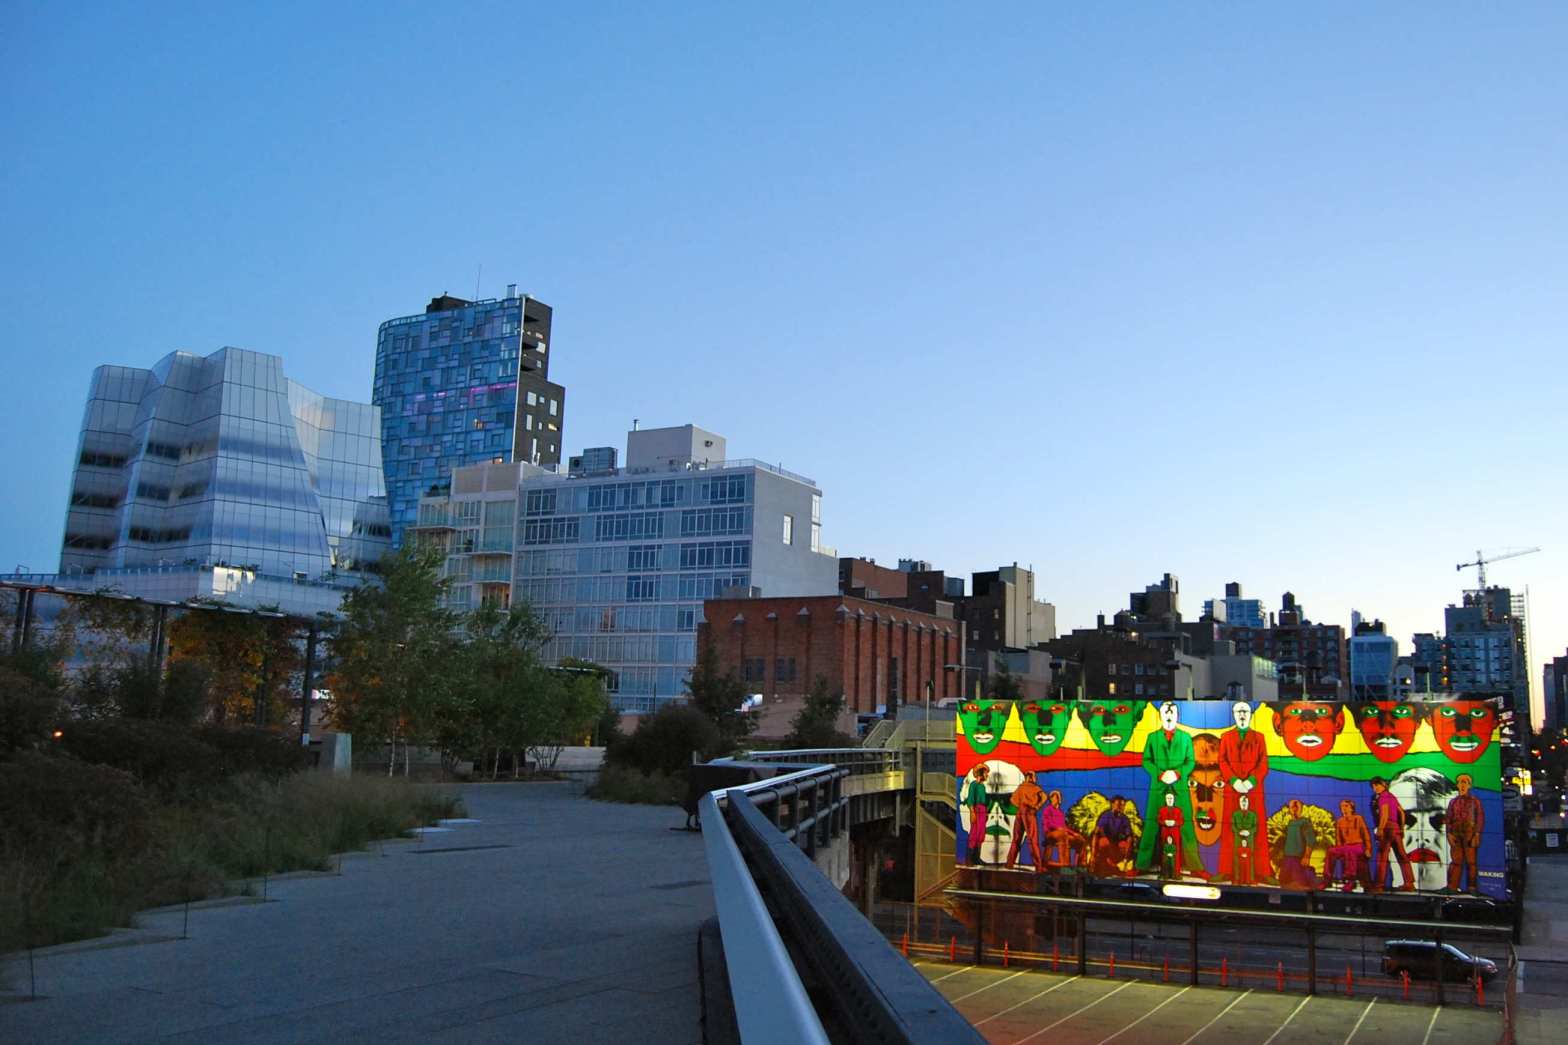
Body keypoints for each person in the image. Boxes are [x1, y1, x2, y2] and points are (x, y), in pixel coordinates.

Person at [1135, 702, 1205, 876]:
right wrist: (1160, 774)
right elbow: (1146, 761)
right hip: (1158, 788)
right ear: (1160, 716)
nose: (1168, 716)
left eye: (1172, 713)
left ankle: (1196, 867)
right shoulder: (1152, 737)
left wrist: (1177, 773)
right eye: (1165, 713)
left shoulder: (1185, 738)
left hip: (1179, 787)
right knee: (1151, 825)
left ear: (1177, 716)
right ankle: (1141, 865)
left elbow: (1190, 762)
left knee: (1186, 826)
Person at [1218, 700, 1272, 883]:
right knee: (1228, 827)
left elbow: (1263, 763)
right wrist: (1233, 780)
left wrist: (1251, 781)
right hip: (1232, 788)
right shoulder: (1226, 737)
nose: (1242, 715)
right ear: (1234, 715)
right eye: (1239, 712)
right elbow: (1222, 761)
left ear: (1250, 715)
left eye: (1245, 712)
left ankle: (1262, 871)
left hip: (1253, 788)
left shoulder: (1259, 737)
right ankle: (1226, 870)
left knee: (1258, 827)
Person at [1371, 776, 1414, 892]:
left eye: (1377, 785)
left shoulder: (1383, 797)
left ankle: (1379, 885)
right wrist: (1401, 828)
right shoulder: (1392, 796)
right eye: (1373, 786)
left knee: (1382, 856)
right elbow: (1402, 813)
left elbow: (1384, 814)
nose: (1375, 788)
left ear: (1383, 785)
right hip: (1396, 828)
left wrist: (1380, 829)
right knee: (1402, 855)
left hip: (1387, 828)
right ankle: (1409, 883)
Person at [1446, 772, 1484, 893]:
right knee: (1456, 861)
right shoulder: (1453, 802)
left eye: (1464, 782)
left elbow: (1480, 818)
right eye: (1459, 782)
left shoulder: (1475, 801)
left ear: (1469, 785)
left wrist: (1476, 834)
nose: (1462, 785)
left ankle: (1472, 887)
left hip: (1469, 834)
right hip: (1456, 833)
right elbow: (1449, 818)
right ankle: (1452, 887)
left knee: (1471, 862)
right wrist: (1449, 834)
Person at [1327, 798, 1372, 891]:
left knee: (1350, 850)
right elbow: (1338, 838)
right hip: (1345, 846)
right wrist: (1339, 849)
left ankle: (1351, 880)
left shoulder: (1358, 819)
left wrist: (1368, 848)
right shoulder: (1340, 821)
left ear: (1351, 808)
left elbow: (1366, 835)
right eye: (1342, 806)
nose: (1343, 808)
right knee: (1331, 851)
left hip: (1358, 845)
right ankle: (1327, 879)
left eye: (1346, 806)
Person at [1005, 770, 1046, 870]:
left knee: (1016, 838)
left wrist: (1020, 804)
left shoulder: (1021, 787)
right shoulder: (1034, 787)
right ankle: (1038, 866)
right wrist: (1037, 806)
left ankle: (1009, 863)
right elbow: (1044, 797)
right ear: (1031, 777)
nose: (1035, 779)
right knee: (1032, 839)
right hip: (1029, 811)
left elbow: (1012, 800)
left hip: (1020, 811)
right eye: (1034, 777)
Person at [1040, 789, 1086, 868]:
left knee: (1080, 839)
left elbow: (1064, 827)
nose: (1053, 800)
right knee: (1063, 835)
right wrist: (1058, 828)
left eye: (1055, 798)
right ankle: (1065, 864)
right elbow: (1048, 824)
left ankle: (1079, 865)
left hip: (1062, 832)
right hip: (1050, 833)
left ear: (1059, 799)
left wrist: (1074, 834)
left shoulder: (1060, 813)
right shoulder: (1048, 810)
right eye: (1052, 798)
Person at [1091, 795, 1135, 877]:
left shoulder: (1125, 819)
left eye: (1123, 805)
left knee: (1124, 845)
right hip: (1106, 843)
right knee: (1104, 842)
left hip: (1116, 844)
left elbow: (1129, 836)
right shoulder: (1105, 816)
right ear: (1112, 804)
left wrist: (1126, 858)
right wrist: (1093, 855)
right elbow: (1096, 833)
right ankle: (1102, 866)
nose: (1121, 807)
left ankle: (1118, 867)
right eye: (1118, 805)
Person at [1279, 799, 1318, 889]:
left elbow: (1310, 840)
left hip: (1298, 858)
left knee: (1301, 883)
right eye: (1292, 807)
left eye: (1297, 807)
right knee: (1284, 881)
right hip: (1287, 857)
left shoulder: (1305, 822)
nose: (1295, 809)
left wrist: (1307, 856)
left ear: (1301, 808)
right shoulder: (1290, 823)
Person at [963, 765, 991, 865]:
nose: (987, 775)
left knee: (981, 834)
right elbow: (971, 799)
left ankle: (976, 858)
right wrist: (972, 812)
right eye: (985, 773)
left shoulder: (982, 786)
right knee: (974, 833)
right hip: (976, 809)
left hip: (982, 810)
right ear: (981, 773)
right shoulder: (973, 785)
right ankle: (969, 859)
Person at [1231, 794, 1259, 886]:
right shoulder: (1235, 814)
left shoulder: (1253, 815)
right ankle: (1237, 879)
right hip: (1238, 838)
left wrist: (1249, 832)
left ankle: (1250, 879)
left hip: (1249, 839)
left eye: (1245, 802)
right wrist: (1239, 832)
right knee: (1237, 858)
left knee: (1250, 858)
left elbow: (1255, 827)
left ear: (1248, 803)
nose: (1243, 804)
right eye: (1242, 802)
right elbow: (1233, 826)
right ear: (1239, 803)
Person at [1158, 791, 1185, 878]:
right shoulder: (1162, 810)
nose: (1169, 800)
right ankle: (1164, 873)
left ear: (1174, 799)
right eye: (1168, 798)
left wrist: (1175, 823)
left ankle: (1176, 874)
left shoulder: (1178, 810)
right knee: (1164, 852)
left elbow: (1182, 821)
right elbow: (1158, 820)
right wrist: (1164, 822)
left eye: (1171, 798)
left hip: (1175, 832)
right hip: (1164, 832)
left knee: (1176, 852)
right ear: (1165, 800)